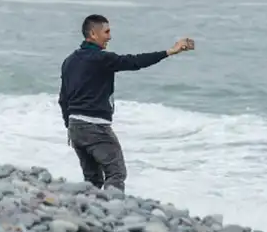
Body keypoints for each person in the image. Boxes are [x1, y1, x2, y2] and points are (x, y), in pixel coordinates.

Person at [58, 14, 194, 193]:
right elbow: (134, 61)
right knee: (116, 172)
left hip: (75, 127)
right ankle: (112, 211)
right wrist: (169, 51)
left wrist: (71, 126)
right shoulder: (101, 59)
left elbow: (63, 99)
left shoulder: (69, 61)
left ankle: (88, 210)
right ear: (93, 33)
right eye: (106, 32)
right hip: (95, 127)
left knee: (92, 178)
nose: (110, 37)